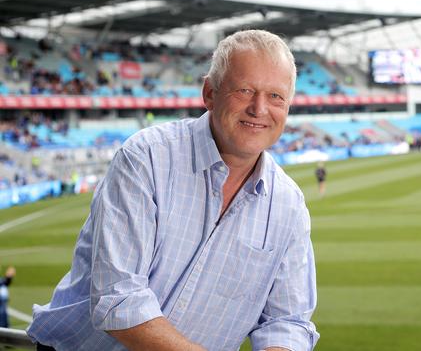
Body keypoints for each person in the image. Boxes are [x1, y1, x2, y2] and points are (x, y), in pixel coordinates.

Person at [27, 30, 319, 351]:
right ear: (209, 93)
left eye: (276, 96)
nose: (259, 108)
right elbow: (119, 299)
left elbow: (287, 321)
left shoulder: (288, 205)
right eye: (244, 90)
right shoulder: (147, 158)